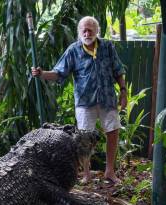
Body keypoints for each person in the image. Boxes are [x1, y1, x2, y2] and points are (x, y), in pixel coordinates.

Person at [32, 16, 127, 186]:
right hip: (84, 101)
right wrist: (42, 74)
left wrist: (123, 91)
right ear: (79, 32)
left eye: (90, 29)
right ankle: (86, 174)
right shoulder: (73, 50)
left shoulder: (107, 47)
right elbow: (59, 73)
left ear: (97, 31)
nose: (87, 32)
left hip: (107, 98)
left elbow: (118, 70)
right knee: (84, 138)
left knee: (113, 132)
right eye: (83, 29)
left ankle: (110, 171)